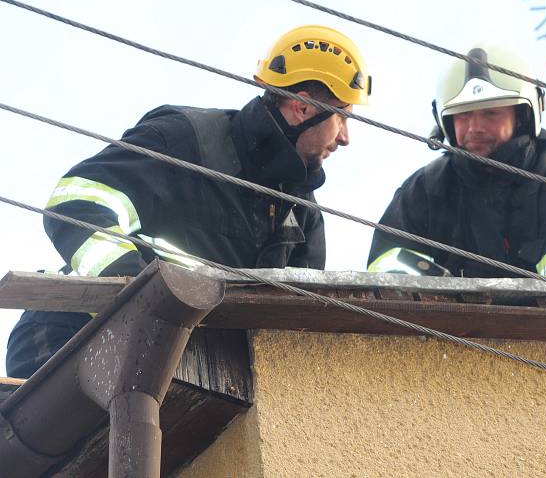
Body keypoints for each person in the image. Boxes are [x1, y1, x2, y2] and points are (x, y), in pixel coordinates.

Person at [6, 25, 371, 378]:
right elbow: (76, 205)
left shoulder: (302, 213)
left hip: (186, 373)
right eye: (342, 116)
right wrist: (143, 297)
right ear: (302, 107)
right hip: (66, 344)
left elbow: (301, 327)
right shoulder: (187, 141)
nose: (345, 138)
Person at [367, 45, 546, 279]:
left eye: (491, 113)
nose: (475, 127)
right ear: (446, 123)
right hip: (444, 325)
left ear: (523, 116)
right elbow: (390, 280)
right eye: (463, 115)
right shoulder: (425, 189)